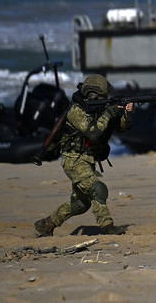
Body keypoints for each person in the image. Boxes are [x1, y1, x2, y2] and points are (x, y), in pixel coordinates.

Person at [34, 74, 133, 237]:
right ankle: (107, 226)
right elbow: (92, 132)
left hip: (88, 160)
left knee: (80, 204)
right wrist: (108, 113)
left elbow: (122, 128)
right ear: (92, 95)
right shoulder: (75, 110)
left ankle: (47, 224)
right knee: (98, 189)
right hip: (73, 160)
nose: (104, 99)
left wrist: (126, 114)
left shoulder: (99, 109)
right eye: (102, 97)